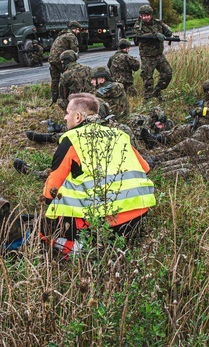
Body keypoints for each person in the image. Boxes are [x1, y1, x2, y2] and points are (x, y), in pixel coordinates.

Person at [39, 93, 156, 258]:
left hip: (103, 223)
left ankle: (79, 249)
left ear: (78, 117)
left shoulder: (71, 139)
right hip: (139, 216)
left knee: (43, 229)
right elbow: (145, 168)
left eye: (67, 113)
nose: (65, 117)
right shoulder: (119, 135)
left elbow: (50, 191)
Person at [135, 4, 174, 100]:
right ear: (140, 16)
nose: (146, 17)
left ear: (151, 15)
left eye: (148, 15)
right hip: (147, 56)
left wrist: (167, 33)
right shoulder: (138, 25)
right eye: (144, 15)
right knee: (147, 78)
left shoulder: (157, 23)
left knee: (167, 73)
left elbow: (167, 30)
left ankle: (157, 91)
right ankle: (148, 98)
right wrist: (155, 35)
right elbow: (139, 35)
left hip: (159, 55)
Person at [47, 21, 81, 103]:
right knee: (69, 78)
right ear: (74, 29)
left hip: (52, 60)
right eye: (78, 29)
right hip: (61, 60)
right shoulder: (71, 36)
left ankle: (54, 99)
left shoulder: (61, 35)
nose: (79, 31)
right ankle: (68, 98)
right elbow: (74, 52)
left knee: (55, 80)